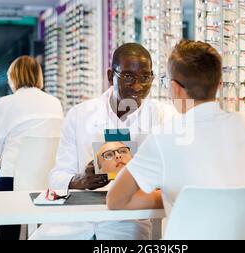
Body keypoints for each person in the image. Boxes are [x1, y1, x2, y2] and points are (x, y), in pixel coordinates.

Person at [29, 43, 176, 240]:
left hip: (127, 220)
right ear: (110, 76)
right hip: (76, 219)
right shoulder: (80, 115)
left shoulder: (164, 117)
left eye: (145, 77)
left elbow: (172, 179)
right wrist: (81, 180)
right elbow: (57, 176)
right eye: (128, 76)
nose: (138, 86)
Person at [107, 40, 245, 216]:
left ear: (176, 88)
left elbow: (116, 200)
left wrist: (174, 196)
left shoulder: (164, 137)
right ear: (219, 84)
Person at [0, 56, 64, 240]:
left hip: (11, 181)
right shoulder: (55, 103)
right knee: (11, 197)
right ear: (39, 76)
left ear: (13, 78)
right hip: (47, 183)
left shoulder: (4, 104)